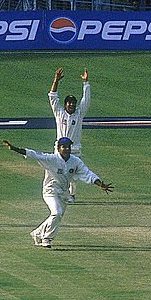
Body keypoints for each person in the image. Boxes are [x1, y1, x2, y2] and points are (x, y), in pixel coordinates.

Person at [2, 137, 113, 248]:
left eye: (68, 147)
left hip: (64, 192)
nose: (66, 149)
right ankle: (47, 239)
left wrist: (100, 184)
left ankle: (37, 233)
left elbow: (87, 173)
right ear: (58, 148)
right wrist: (14, 148)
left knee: (56, 217)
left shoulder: (75, 161)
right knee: (56, 213)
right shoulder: (51, 159)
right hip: (50, 191)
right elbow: (33, 154)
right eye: (63, 147)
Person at [50, 67, 91, 203]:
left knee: (73, 174)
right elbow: (53, 96)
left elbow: (87, 100)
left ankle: (71, 195)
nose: (72, 105)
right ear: (65, 104)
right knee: (57, 172)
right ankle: (58, 192)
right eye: (69, 103)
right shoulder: (59, 113)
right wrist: (56, 80)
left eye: (73, 103)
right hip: (59, 149)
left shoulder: (79, 114)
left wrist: (86, 83)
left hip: (75, 149)